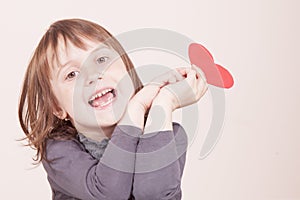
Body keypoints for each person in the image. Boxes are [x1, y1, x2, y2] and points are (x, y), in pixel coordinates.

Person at [18, 18, 208, 200]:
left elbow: (153, 195)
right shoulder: (58, 149)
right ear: (57, 107)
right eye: (72, 74)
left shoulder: (169, 135)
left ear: (127, 69)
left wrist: (164, 103)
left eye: (101, 59)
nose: (92, 75)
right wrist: (137, 107)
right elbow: (109, 193)